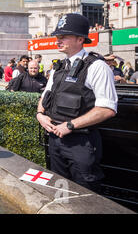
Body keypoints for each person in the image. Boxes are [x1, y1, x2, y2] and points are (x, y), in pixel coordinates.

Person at [36, 13, 117, 193]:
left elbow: (108, 108)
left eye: (64, 36)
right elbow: (45, 96)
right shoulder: (58, 67)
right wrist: (40, 115)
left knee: (85, 195)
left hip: (81, 143)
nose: (58, 40)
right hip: (55, 140)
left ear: (80, 39)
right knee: (60, 192)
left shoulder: (97, 67)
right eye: (58, 36)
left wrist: (71, 125)